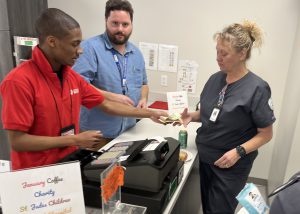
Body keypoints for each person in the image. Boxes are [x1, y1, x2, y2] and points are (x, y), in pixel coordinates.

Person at [0, 8, 166, 170]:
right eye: (75, 44)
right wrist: (74, 140)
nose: (80, 51)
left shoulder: (72, 78)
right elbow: (18, 141)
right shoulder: (18, 82)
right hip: (35, 174)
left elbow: (107, 105)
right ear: (52, 42)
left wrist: (150, 113)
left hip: (70, 164)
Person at [179, 21, 276, 214]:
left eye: (224, 54)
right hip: (205, 157)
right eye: (217, 51)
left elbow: (266, 134)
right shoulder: (215, 79)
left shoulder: (257, 88)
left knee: (220, 210)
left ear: (242, 54)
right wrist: (193, 115)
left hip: (231, 164)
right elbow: (212, 113)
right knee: (207, 206)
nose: (218, 58)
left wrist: (238, 152)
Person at [73, 0, 148, 141]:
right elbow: (78, 85)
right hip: (97, 136)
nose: (120, 29)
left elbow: (144, 83)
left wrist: (143, 98)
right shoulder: (89, 48)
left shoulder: (136, 53)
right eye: (115, 23)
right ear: (106, 21)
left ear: (131, 24)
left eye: (125, 24)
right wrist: (112, 96)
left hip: (129, 132)